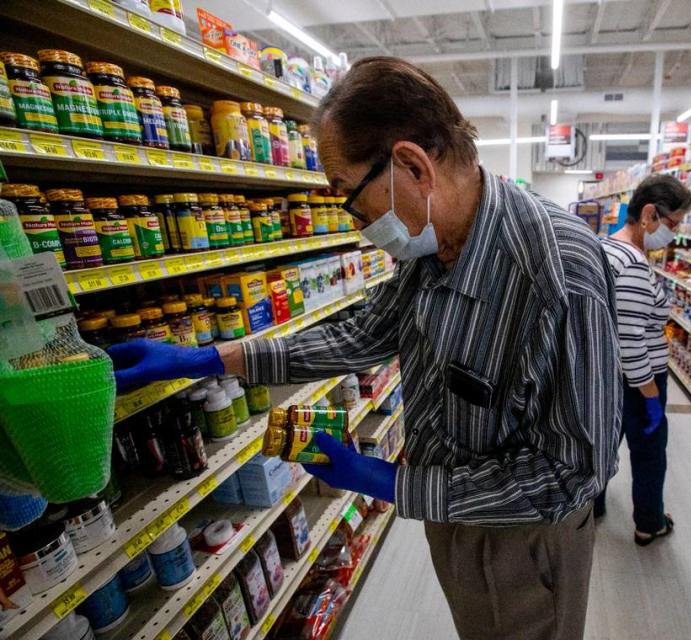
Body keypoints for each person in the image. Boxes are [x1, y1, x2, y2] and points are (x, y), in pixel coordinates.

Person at [108, 57, 622, 640]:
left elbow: (573, 474)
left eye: (350, 197)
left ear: (412, 165)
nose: (357, 224)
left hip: (525, 541)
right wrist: (214, 359)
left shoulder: (559, 274)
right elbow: (365, 332)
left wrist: (390, 484)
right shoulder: (430, 245)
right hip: (446, 508)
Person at [593, 175, 691, 546]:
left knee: (602, 442)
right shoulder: (633, 264)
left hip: (605, 376)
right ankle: (649, 521)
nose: (674, 234)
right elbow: (630, 341)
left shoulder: (605, 247)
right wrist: (650, 393)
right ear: (649, 214)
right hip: (637, 382)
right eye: (673, 224)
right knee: (650, 452)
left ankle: (592, 503)